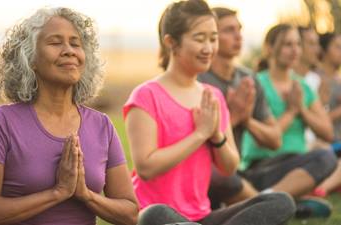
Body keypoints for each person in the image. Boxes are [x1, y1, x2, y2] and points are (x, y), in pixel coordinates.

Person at [124, 1, 295, 225]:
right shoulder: (146, 96)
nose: (209, 48)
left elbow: (230, 166)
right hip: (161, 215)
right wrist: (199, 134)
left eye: (213, 39)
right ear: (171, 43)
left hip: (203, 216)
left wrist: (216, 136)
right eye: (199, 39)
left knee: (281, 202)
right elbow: (146, 168)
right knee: (153, 216)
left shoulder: (212, 96)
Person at [0, 7, 138, 225]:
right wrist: (57, 192)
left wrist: (85, 195)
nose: (69, 51)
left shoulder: (102, 126)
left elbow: (130, 213)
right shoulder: (2, 122)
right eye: (55, 42)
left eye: (75, 43)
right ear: (30, 58)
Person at [241, 23, 337, 218]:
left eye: (297, 44)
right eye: (287, 44)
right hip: (263, 165)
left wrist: (302, 108)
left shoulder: (302, 87)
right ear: (270, 48)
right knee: (323, 157)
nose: (295, 50)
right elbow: (266, 138)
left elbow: (328, 133)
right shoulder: (256, 83)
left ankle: (273, 200)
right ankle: (273, 200)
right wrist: (292, 111)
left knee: (326, 156)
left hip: (297, 166)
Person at [198, 7, 281, 209]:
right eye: (229, 30)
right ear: (212, 37)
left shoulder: (248, 79)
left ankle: (259, 199)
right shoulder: (198, 80)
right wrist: (232, 117)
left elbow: (275, 140)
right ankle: (268, 205)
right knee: (221, 176)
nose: (238, 36)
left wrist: (247, 120)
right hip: (209, 173)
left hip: (241, 170)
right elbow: (196, 147)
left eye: (240, 29)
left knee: (321, 158)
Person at [313, 32, 341, 195]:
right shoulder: (315, 79)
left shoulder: (339, 80)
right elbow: (317, 122)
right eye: (337, 47)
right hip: (325, 143)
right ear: (323, 51)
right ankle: (322, 189)